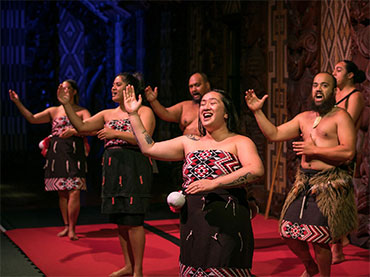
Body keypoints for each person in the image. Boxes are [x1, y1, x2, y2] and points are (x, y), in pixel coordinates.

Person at [124, 85, 264, 276]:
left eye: (213, 103)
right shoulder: (189, 142)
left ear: (226, 113)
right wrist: (133, 114)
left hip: (228, 219)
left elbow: (256, 170)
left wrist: (214, 182)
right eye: (203, 104)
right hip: (194, 221)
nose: (205, 106)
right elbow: (149, 148)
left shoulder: (240, 141)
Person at [245, 72, 358, 276]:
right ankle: (310, 266)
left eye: (324, 85)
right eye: (315, 85)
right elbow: (274, 134)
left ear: (333, 91)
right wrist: (257, 112)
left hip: (329, 184)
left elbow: (349, 151)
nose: (318, 89)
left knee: (319, 239)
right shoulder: (304, 118)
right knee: (287, 231)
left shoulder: (341, 116)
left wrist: (315, 151)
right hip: (304, 182)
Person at [58, 73, 155, 277]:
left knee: (134, 220)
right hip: (112, 168)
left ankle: (138, 271)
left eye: (118, 84)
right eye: (113, 84)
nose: (113, 87)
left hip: (133, 167)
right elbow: (83, 127)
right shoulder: (107, 114)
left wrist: (116, 134)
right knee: (120, 220)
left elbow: (145, 139)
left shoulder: (144, 111)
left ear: (130, 89)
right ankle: (128, 265)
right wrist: (67, 105)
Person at [8, 80, 91, 240]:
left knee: (75, 190)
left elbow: (90, 127)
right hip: (57, 152)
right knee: (62, 192)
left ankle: (73, 228)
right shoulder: (54, 111)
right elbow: (32, 118)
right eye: (62, 88)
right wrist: (18, 102)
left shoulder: (82, 111)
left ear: (74, 92)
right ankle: (66, 225)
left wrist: (74, 130)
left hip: (74, 151)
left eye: (68, 88)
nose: (64, 90)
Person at [331, 60, 366, 264]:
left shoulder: (356, 96)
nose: (334, 73)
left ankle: (337, 247)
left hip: (344, 152)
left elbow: (346, 123)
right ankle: (337, 241)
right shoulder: (334, 95)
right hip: (328, 149)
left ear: (350, 75)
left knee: (337, 198)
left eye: (338, 70)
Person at [144, 72, 211, 135]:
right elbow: (165, 113)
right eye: (191, 86)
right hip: (186, 146)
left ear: (207, 85)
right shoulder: (184, 106)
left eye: (197, 85)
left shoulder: (217, 106)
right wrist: (153, 101)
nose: (194, 89)